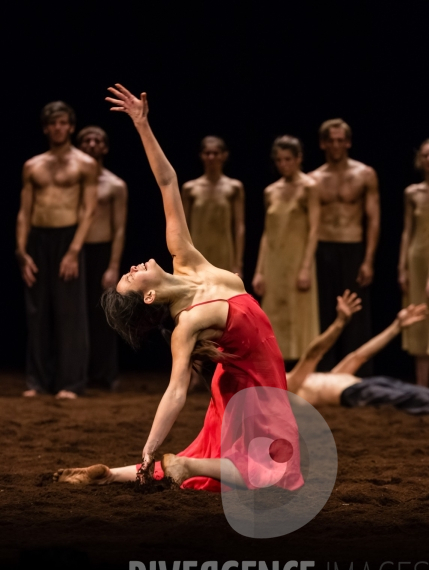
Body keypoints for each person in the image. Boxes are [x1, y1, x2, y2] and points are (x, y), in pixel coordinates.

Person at [54, 84, 303, 491]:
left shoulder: (185, 258)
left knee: (222, 452)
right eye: (132, 277)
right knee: (277, 474)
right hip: (253, 389)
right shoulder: (187, 322)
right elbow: (175, 392)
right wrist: (150, 446)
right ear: (149, 296)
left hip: (243, 378)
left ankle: (108, 475)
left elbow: (168, 183)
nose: (133, 267)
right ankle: (185, 467)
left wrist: (142, 124)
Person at [16, 101, 98, 399]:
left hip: (68, 239)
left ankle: (71, 383)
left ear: (71, 126)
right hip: (37, 239)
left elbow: (89, 211)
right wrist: (21, 251)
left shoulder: (84, 164)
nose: (58, 128)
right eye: (53, 123)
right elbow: (24, 212)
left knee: (70, 313)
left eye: (64, 122)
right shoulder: (33, 165)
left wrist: (74, 251)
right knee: (37, 312)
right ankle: (38, 381)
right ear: (46, 128)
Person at [309, 119, 380, 375]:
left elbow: (373, 218)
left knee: (356, 316)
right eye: (332, 140)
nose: (337, 145)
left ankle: (357, 375)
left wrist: (368, 259)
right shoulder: (313, 179)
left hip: (353, 247)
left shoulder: (365, 174)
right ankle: (324, 372)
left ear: (348, 142)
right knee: (325, 313)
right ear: (323, 143)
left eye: (341, 140)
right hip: (323, 249)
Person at [286, 291, 429, 413]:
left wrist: (396, 327)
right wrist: (340, 322)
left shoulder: (320, 380)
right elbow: (314, 354)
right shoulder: (285, 388)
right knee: (419, 399)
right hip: (357, 393)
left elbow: (359, 356)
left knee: (421, 394)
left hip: (367, 385)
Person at [252, 136, 320, 362]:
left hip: (298, 259)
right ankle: (277, 376)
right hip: (274, 261)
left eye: (288, 159)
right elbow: (266, 233)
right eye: (279, 160)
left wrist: (306, 267)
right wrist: (259, 271)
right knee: (274, 318)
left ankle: (301, 377)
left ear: (299, 159)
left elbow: (314, 230)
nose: (284, 164)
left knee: (300, 317)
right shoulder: (271, 191)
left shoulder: (309, 186)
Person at [77, 126, 128, 389]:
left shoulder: (115, 184)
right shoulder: (73, 182)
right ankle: (77, 373)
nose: (92, 143)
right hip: (76, 251)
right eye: (86, 139)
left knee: (104, 314)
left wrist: (113, 265)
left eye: (98, 140)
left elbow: (119, 228)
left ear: (105, 148)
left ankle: (105, 374)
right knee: (76, 314)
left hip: (103, 251)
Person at [181, 136, 245, 276]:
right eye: (207, 153)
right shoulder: (190, 188)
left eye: (215, 153)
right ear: (201, 156)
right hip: (197, 252)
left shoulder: (234, 187)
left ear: (224, 156)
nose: (211, 157)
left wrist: (238, 263)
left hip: (224, 252)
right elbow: (182, 227)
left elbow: (239, 226)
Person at [398, 139, 429, 386]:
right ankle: (422, 390)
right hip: (417, 259)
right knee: (419, 319)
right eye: (426, 155)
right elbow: (407, 231)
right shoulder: (413, 192)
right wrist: (402, 267)